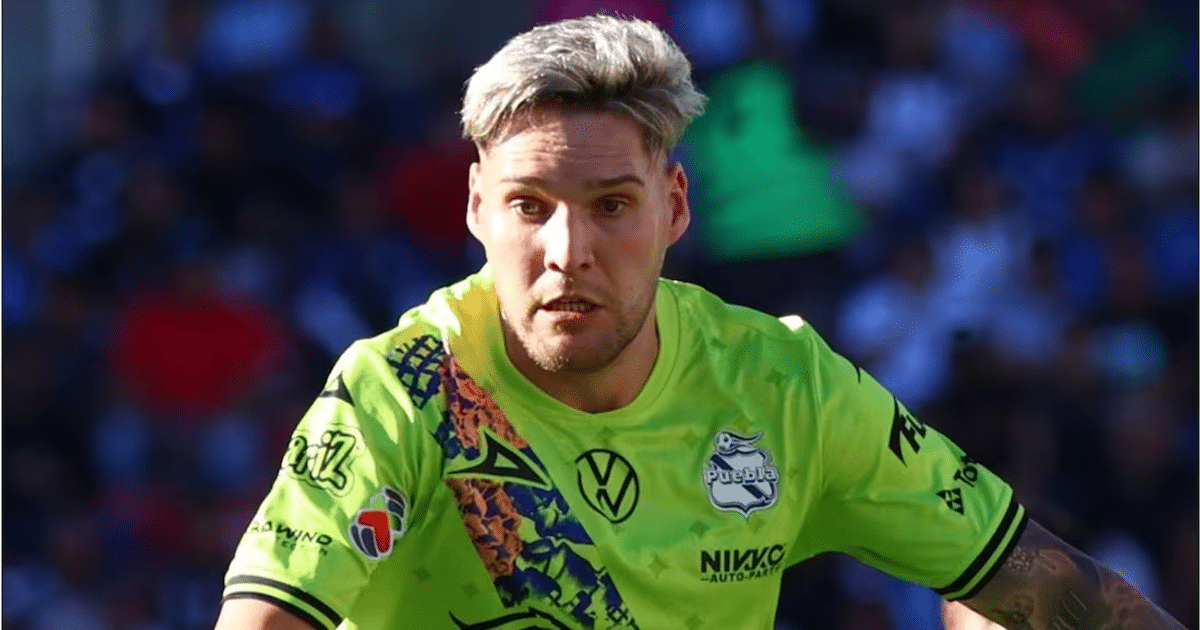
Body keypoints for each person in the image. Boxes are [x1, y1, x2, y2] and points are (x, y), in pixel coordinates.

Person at [214, 15, 1186, 630]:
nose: (567, 252)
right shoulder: (405, 393)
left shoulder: (786, 389)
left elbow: (1057, 598)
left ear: (675, 206)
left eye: (610, 205)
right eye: (529, 206)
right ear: (475, 210)